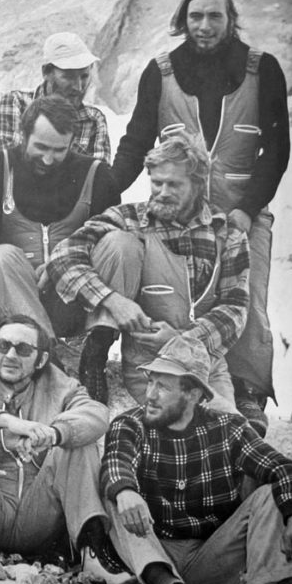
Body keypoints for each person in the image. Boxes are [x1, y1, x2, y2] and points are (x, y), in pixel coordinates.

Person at [111, 0, 289, 434]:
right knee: (178, 301)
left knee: (248, 298)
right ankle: (176, 378)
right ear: (182, 21)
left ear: (231, 20)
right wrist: (106, 189)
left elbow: (276, 150)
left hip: (241, 212)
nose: (205, 25)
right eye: (195, 17)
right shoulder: (161, 72)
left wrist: (247, 210)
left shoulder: (262, 69)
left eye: (214, 16)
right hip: (177, 215)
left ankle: (246, 393)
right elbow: (136, 141)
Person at [101, 336, 292, 584]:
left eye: (162, 386)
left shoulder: (228, 428)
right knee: (115, 493)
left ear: (193, 394)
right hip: (154, 556)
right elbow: (116, 461)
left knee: (270, 493)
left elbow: (282, 468)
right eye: (151, 382)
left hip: (211, 559)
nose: (149, 394)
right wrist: (126, 491)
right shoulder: (130, 423)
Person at [47, 134, 248, 412]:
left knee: (227, 425)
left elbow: (235, 308)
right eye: (157, 182)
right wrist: (113, 301)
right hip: (149, 365)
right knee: (119, 243)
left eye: (174, 184)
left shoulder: (227, 232)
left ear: (198, 184)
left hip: (205, 361)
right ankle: (97, 349)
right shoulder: (129, 219)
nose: (162, 192)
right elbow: (62, 255)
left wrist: (180, 342)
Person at [0, 315, 131, 584]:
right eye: (2, 346)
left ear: (40, 359)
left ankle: (93, 551)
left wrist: (55, 434)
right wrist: (6, 421)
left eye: (23, 349)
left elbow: (96, 414)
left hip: (37, 514)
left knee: (78, 441)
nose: (11, 355)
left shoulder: (61, 386)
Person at [0, 95, 120, 344]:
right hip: (13, 294)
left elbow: (109, 240)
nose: (48, 159)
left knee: (120, 242)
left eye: (59, 150)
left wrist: (60, 264)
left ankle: (96, 347)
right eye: (41, 147)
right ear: (23, 135)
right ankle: (46, 350)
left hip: (75, 296)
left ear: (72, 143)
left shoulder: (97, 175)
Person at [0, 32, 110, 162]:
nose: (78, 87)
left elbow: (98, 172)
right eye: (69, 77)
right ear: (46, 72)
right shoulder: (15, 103)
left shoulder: (93, 119)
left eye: (84, 76)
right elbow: (4, 165)